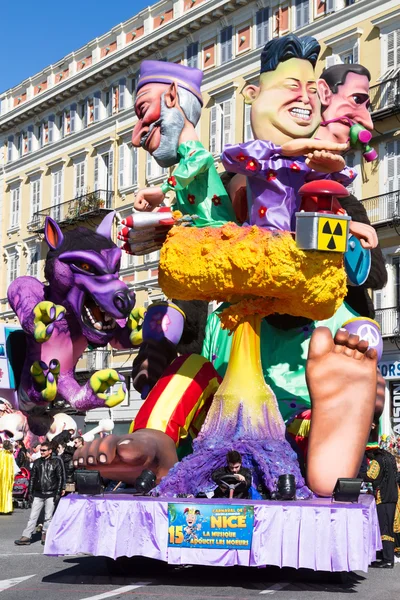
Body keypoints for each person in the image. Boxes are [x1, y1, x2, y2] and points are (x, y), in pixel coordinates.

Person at [131, 60, 238, 228]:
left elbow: (201, 158)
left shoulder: (193, 158)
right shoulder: (183, 171)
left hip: (219, 235)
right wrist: (155, 215)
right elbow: (185, 212)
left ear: (171, 97)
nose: (135, 139)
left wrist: (163, 189)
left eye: (143, 110)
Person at [14, 442, 63, 546]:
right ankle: (26, 536)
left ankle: (45, 535)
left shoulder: (56, 462)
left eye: (44, 450)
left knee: (48, 517)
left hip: (51, 493)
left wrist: (58, 492)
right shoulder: (37, 462)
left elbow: (60, 478)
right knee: (33, 516)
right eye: (41, 450)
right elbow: (32, 478)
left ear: (50, 451)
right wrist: (30, 492)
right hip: (38, 493)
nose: (42, 452)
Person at [363, 441, 398, 568]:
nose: (368, 457)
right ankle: (387, 557)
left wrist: (358, 476)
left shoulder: (378, 460)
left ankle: (387, 560)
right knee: (388, 528)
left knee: (384, 528)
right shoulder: (390, 457)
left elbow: (371, 475)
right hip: (393, 496)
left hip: (383, 497)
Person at [0, 440, 16, 514]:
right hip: (8, 477)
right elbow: (14, 468)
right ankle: (7, 508)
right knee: (7, 492)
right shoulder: (10, 456)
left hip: (1, 477)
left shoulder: (0, 454)